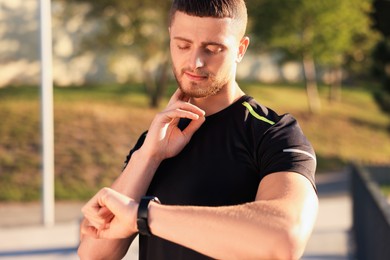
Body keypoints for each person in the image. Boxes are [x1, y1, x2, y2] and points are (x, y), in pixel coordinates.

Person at [78, 0, 318, 259]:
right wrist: (149, 156)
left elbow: (285, 238)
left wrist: (144, 215)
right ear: (170, 37)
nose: (196, 62)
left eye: (213, 49)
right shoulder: (154, 141)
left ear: (240, 49)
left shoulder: (273, 134)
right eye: (183, 45)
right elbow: (95, 253)